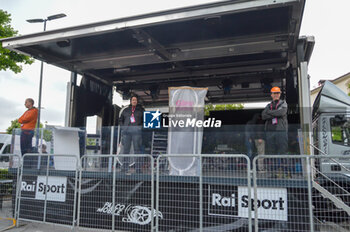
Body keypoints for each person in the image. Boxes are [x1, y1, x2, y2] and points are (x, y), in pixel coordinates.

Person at [262, 87, 288, 175]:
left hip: (281, 131)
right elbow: (263, 116)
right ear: (271, 94)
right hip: (270, 131)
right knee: (271, 152)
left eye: (278, 93)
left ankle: (284, 172)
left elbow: (281, 113)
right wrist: (275, 113)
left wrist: (269, 112)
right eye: (274, 93)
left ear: (280, 94)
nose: (276, 94)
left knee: (282, 151)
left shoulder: (283, 103)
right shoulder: (268, 105)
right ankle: (273, 172)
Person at [118, 95, 144, 174]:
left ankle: (138, 169)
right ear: (130, 101)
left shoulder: (141, 110)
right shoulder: (125, 110)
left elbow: (145, 120)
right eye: (133, 100)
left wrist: (140, 128)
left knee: (137, 150)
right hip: (127, 132)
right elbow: (120, 120)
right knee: (126, 150)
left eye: (135, 100)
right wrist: (123, 128)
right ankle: (124, 168)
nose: (134, 101)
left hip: (136, 132)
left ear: (137, 101)